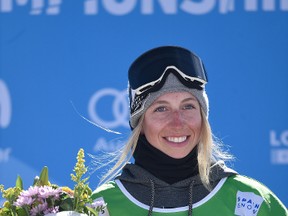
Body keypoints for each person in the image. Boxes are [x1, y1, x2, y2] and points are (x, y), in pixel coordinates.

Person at [91, 46, 287, 216]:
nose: (177, 123)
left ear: (203, 118)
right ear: (140, 125)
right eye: (161, 108)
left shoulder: (250, 202)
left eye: (188, 107)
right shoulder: (102, 206)